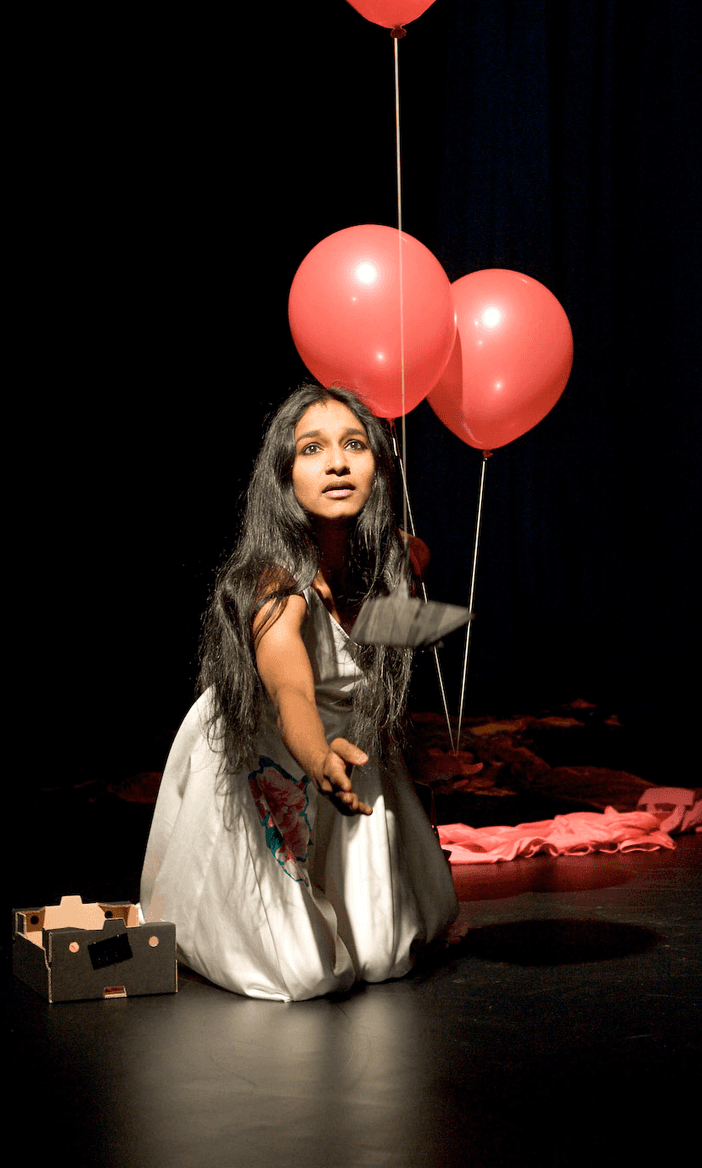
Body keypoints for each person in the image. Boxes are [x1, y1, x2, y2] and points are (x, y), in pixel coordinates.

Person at [139, 382, 461, 1001]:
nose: (337, 461)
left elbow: (378, 647)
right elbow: (290, 690)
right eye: (312, 448)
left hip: (351, 750)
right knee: (304, 971)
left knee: (387, 956)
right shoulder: (276, 586)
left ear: (378, 465)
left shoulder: (389, 564)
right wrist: (317, 758)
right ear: (284, 476)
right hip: (278, 751)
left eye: (354, 445)